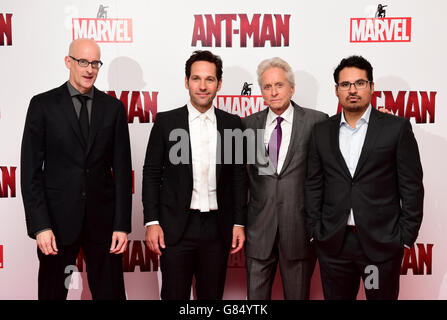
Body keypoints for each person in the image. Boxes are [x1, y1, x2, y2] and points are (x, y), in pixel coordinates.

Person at [305, 55, 424, 300]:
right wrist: (316, 230)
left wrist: (404, 237)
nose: (352, 90)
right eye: (345, 84)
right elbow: (314, 184)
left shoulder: (396, 128)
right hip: (334, 245)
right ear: (336, 90)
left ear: (371, 87)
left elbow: (411, 186)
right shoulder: (321, 131)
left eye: (359, 83)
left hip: (380, 247)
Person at [21, 38, 132, 300]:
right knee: (51, 294)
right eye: (83, 61)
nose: (89, 69)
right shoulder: (42, 105)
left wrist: (121, 225)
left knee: (111, 294)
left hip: (104, 225)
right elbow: (30, 172)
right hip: (56, 225)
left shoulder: (113, 108)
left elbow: (124, 172)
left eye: (95, 63)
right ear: (68, 61)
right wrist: (40, 225)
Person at [142, 50, 247, 300]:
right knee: (174, 296)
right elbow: (151, 173)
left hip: (217, 228)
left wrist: (239, 222)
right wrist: (152, 222)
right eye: (196, 78)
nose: (203, 86)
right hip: (176, 227)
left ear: (219, 84)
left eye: (209, 79)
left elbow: (238, 178)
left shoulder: (232, 124)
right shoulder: (167, 122)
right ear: (186, 81)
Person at [242, 57, 328, 299]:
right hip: (258, 230)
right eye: (267, 87)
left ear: (292, 88)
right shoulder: (247, 125)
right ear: (261, 92)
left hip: (300, 230)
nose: (273, 91)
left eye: (279, 85)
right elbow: (238, 179)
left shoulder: (317, 121)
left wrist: (380, 119)